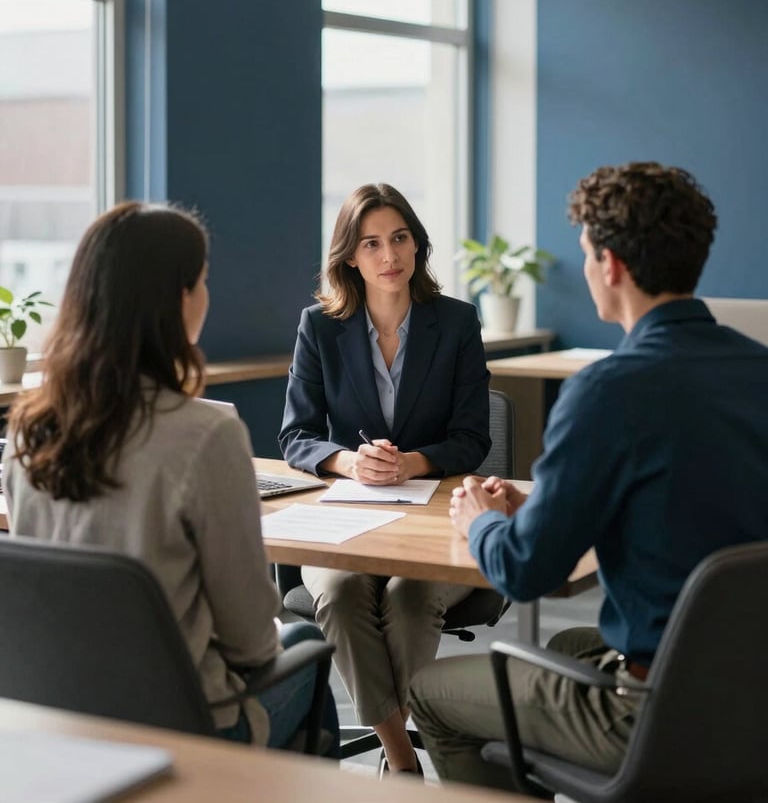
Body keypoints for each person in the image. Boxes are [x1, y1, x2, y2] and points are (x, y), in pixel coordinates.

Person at [409, 161, 768, 789]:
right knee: (576, 642)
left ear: (612, 266)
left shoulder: (608, 391)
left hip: (657, 712)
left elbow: (526, 571)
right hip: (750, 687)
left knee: (432, 691)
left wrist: (485, 523)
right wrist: (547, 508)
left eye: (584, 255)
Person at [4, 201, 339, 754]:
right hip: (183, 726)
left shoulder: (29, 434)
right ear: (180, 300)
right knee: (305, 649)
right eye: (203, 281)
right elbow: (253, 642)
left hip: (62, 720)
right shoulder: (205, 434)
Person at [279, 182, 490, 775]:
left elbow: (475, 439)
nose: (389, 256)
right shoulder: (320, 327)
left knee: (410, 594)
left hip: (432, 520)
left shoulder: (455, 323)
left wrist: (414, 463)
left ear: (418, 245)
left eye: (400, 239)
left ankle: (403, 752)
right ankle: (403, 758)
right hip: (346, 516)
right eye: (371, 243)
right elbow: (295, 435)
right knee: (343, 596)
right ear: (350, 256)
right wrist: (347, 461)